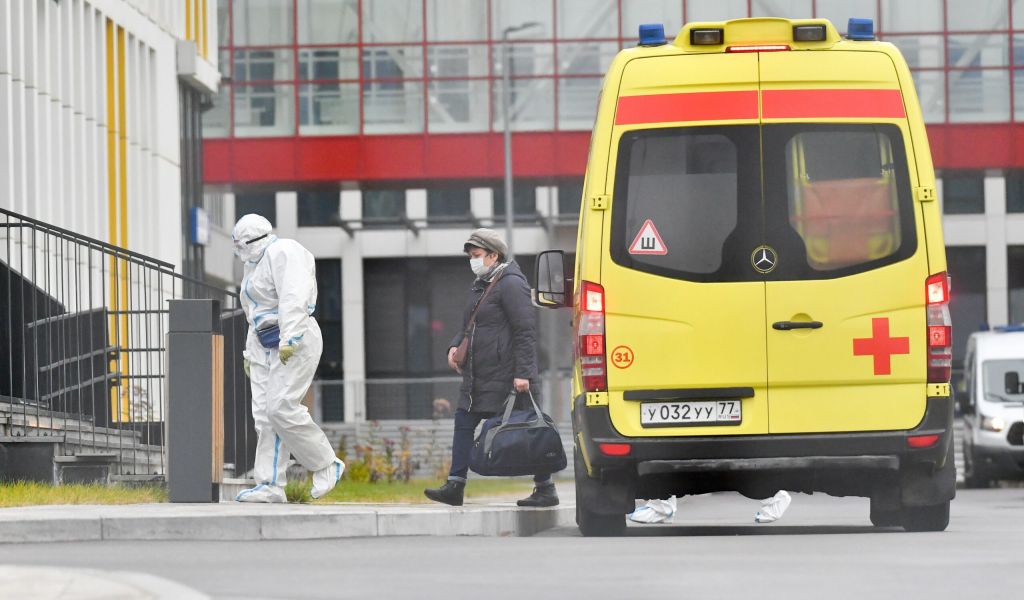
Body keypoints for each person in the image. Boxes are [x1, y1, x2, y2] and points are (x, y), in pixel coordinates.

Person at [424, 228, 558, 508]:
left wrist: (524, 373)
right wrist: (454, 344)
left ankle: (545, 488)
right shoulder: (481, 285)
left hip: (508, 376)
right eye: (471, 256)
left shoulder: (511, 283)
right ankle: (455, 485)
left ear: (494, 255)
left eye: (476, 256)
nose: (472, 261)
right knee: (463, 422)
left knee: (531, 428)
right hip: (478, 376)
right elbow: (469, 325)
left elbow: (525, 331)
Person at [231, 214, 344, 503]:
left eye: (244, 244)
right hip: (263, 343)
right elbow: (253, 312)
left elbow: (294, 294)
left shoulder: (284, 252)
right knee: (264, 416)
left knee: (281, 407)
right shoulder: (252, 267)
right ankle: (270, 484)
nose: (241, 251)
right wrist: (249, 351)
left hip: (294, 338)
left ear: (258, 238)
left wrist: (290, 337)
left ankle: (326, 463)